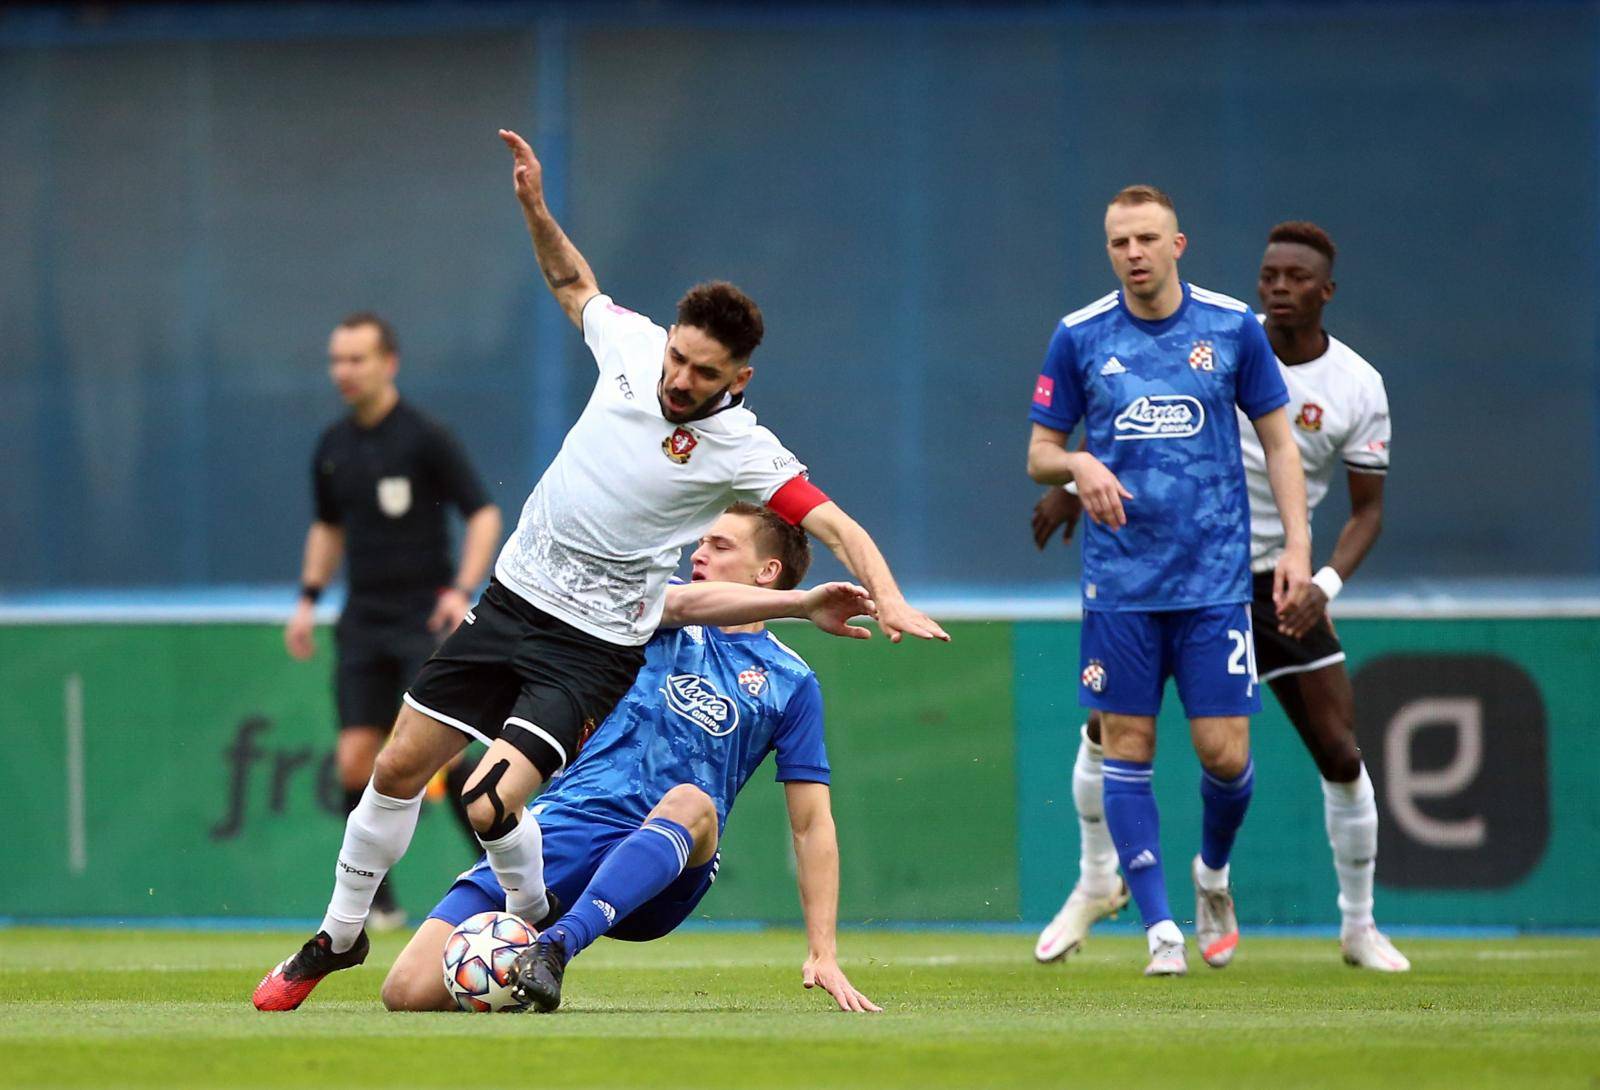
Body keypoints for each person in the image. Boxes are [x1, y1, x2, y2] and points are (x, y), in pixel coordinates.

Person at [253, 128, 947, 1012]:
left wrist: (886, 596)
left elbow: (837, 523)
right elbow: (571, 282)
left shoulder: (745, 449)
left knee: (485, 800)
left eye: (704, 372)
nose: (680, 378)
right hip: (510, 600)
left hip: (592, 645)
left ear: (740, 375)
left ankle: (537, 925)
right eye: (679, 358)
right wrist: (537, 210)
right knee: (394, 768)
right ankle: (340, 936)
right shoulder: (630, 347)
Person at [1031, 221, 1406, 971]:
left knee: (1331, 747)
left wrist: (1319, 576)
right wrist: (1075, 484)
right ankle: (1099, 881)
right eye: (1269, 275)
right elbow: (1135, 427)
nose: (1277, 288)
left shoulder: (1351, 384)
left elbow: (1367, 509)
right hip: (1162, 570)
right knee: (1110, 733)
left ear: (1326, 292)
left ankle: (1357, 926)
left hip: (1273, 580)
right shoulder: (1215, 339)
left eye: (1295, 278)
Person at [381, 504, 880, 1014]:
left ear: (767, 572)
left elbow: (812, 825)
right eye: (700, 541)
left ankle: (557, 946)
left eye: (720, 545)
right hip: (566, 824)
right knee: (406, 993)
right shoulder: (642, 617)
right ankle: (526, 975)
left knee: (691, 800)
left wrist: (824, 952)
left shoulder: (790, 681)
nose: (698, 552)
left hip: (669, 859)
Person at [285, 312, 502, 930]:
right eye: (337, 360)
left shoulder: (427, 437)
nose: (344, 372)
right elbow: (328, 527)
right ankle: (377, 900)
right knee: (356, 761)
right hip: (363, 620)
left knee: (448, 760)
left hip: (421, 619)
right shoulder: (333, 446)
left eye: (356, 359)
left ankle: (507, 881)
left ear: (389, 363)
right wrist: (307, 598)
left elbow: (483, 513)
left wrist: (462, 590)